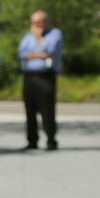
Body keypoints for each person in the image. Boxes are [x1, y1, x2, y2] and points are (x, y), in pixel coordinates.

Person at [18, 10, 62, 150]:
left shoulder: (55, 34)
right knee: (29, 110)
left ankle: (51, 139)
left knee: (47, 109)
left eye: (38, 22)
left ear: (45, 22)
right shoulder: (27, 36)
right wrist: (38, 55)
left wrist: (38, 38)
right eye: (33, 22)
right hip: (29, 76)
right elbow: (22, 53)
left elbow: (49, 50)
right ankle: (32, 141)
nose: (35, 25)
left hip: (46, 76)